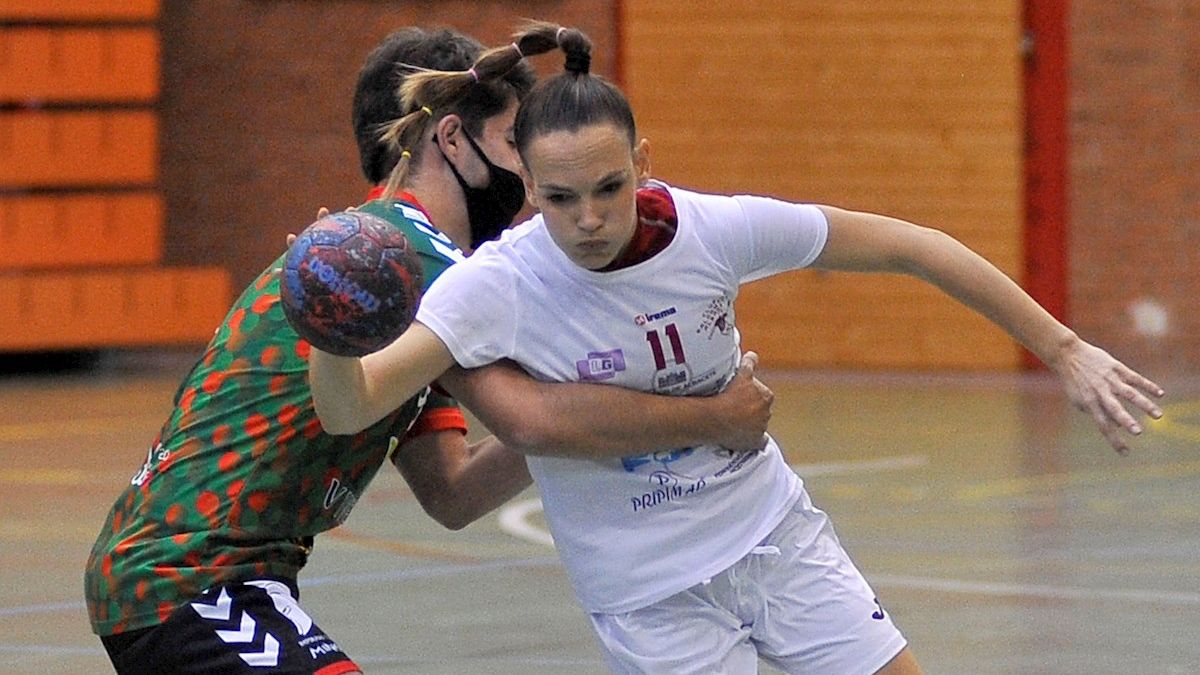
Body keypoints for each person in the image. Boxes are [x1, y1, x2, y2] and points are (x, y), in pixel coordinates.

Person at [306, 21, 1167, 674]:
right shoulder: (494, 285)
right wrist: (328, 328)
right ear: (526, 185)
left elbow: (911, 244)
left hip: (773, 537)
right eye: (562, 198)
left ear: (644, 163)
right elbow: (351, 401)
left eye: (610, 187)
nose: (591, 219)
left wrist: (1064, 348)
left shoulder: (715, 230)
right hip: (648, 594)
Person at [84, 26, 774, 675]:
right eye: (514, 142)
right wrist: (708, 414)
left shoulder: (394, 279)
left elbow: (454, 489)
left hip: (217, 578)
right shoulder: (421, 263)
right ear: (451, 138)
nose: (532, 170)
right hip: (185, 577)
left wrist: (610, 391)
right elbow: (534, 419)